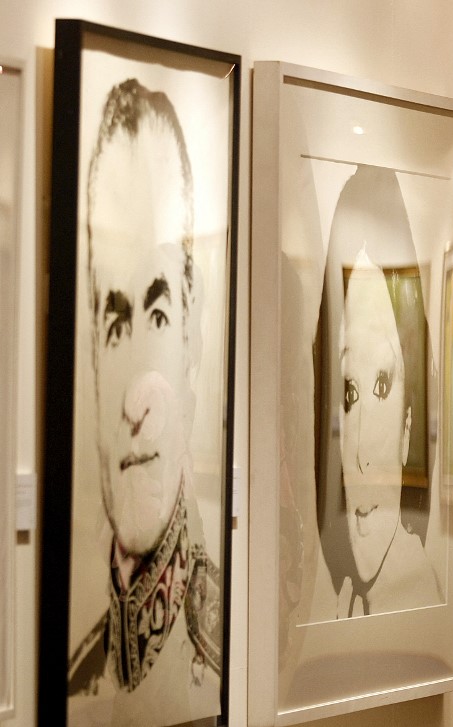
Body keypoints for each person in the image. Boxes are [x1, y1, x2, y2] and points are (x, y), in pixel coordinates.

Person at [66, 79, 221, 726]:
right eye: (114, 322)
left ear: (192, 350)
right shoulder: (79, 677)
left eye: (157, 315)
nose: (135, 398)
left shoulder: (225, 659)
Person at [313, 164, 442, 618]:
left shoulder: (421, 604)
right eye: (349, 394)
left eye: (383, 386)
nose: (361, 455)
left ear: (409, 428)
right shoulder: (333, 604)